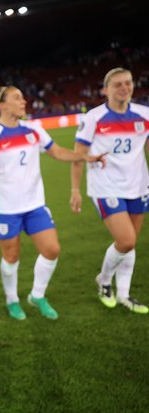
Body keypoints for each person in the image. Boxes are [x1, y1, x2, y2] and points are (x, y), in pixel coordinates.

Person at [0, 85, 106, 320]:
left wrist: (86, 157)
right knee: (11, 256)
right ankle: (12, 300)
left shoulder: (33, 129)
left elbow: (57, 152)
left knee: (52, 249)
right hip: (5, 208)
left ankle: (37, 295)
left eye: (23, 97)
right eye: (17, 98)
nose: (23, 101)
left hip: (34, 204)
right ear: (2, 105)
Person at [70, 67, 149, 314]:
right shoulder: (93, 118)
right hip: (105, 187)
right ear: (106, 89)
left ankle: (124, 295)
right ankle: (104, 281)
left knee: (130, 243)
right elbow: (77, 155)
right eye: (118, 84)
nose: (124, 88)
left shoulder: (144, 114)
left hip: (138, 185)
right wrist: (75, 189)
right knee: (125, 240)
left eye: (128, 83)